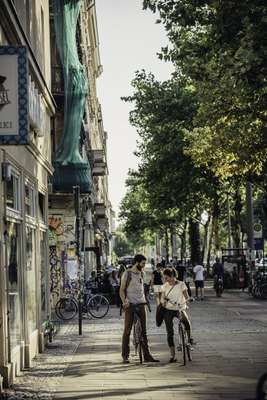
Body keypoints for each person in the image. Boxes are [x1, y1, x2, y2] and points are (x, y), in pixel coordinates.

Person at [119, 254, 159, 364]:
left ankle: (147, 355)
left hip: (141, 304)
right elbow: (121, 290)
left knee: (144, 331)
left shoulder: (142, 273)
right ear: (136, 262)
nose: (144, 265)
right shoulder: (127, 274)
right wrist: (124, 301)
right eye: (142, 263)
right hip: (130, 305)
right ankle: (125, 356)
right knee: (127, 330)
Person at [160, 268, 194, 363]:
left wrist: (188, 299)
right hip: (169, 310)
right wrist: (163, 302)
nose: (166, 280)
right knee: (169, 332)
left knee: (186, 322)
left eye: (167, 278)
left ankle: (189, 339)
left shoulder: (181, 284)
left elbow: (186, 295)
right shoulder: (164, 286)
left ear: (173, 276)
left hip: (180, 308)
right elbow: (162, 299)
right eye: (165, 278)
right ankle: (172, 355)